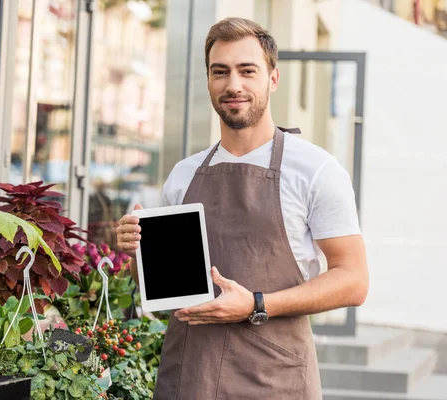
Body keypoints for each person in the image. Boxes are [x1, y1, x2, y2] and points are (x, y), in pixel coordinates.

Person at [116, 17, 368, 400]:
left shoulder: (316, 170)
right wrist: (137, 250)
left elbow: (353, 279)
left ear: (273, 78)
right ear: (208, 81)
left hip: (272, 380)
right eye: (220, 72)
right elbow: (161, 288)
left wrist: (256, 304)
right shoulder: (183, 175)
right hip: (188, 378)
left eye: (247, 71)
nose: (233, 84)